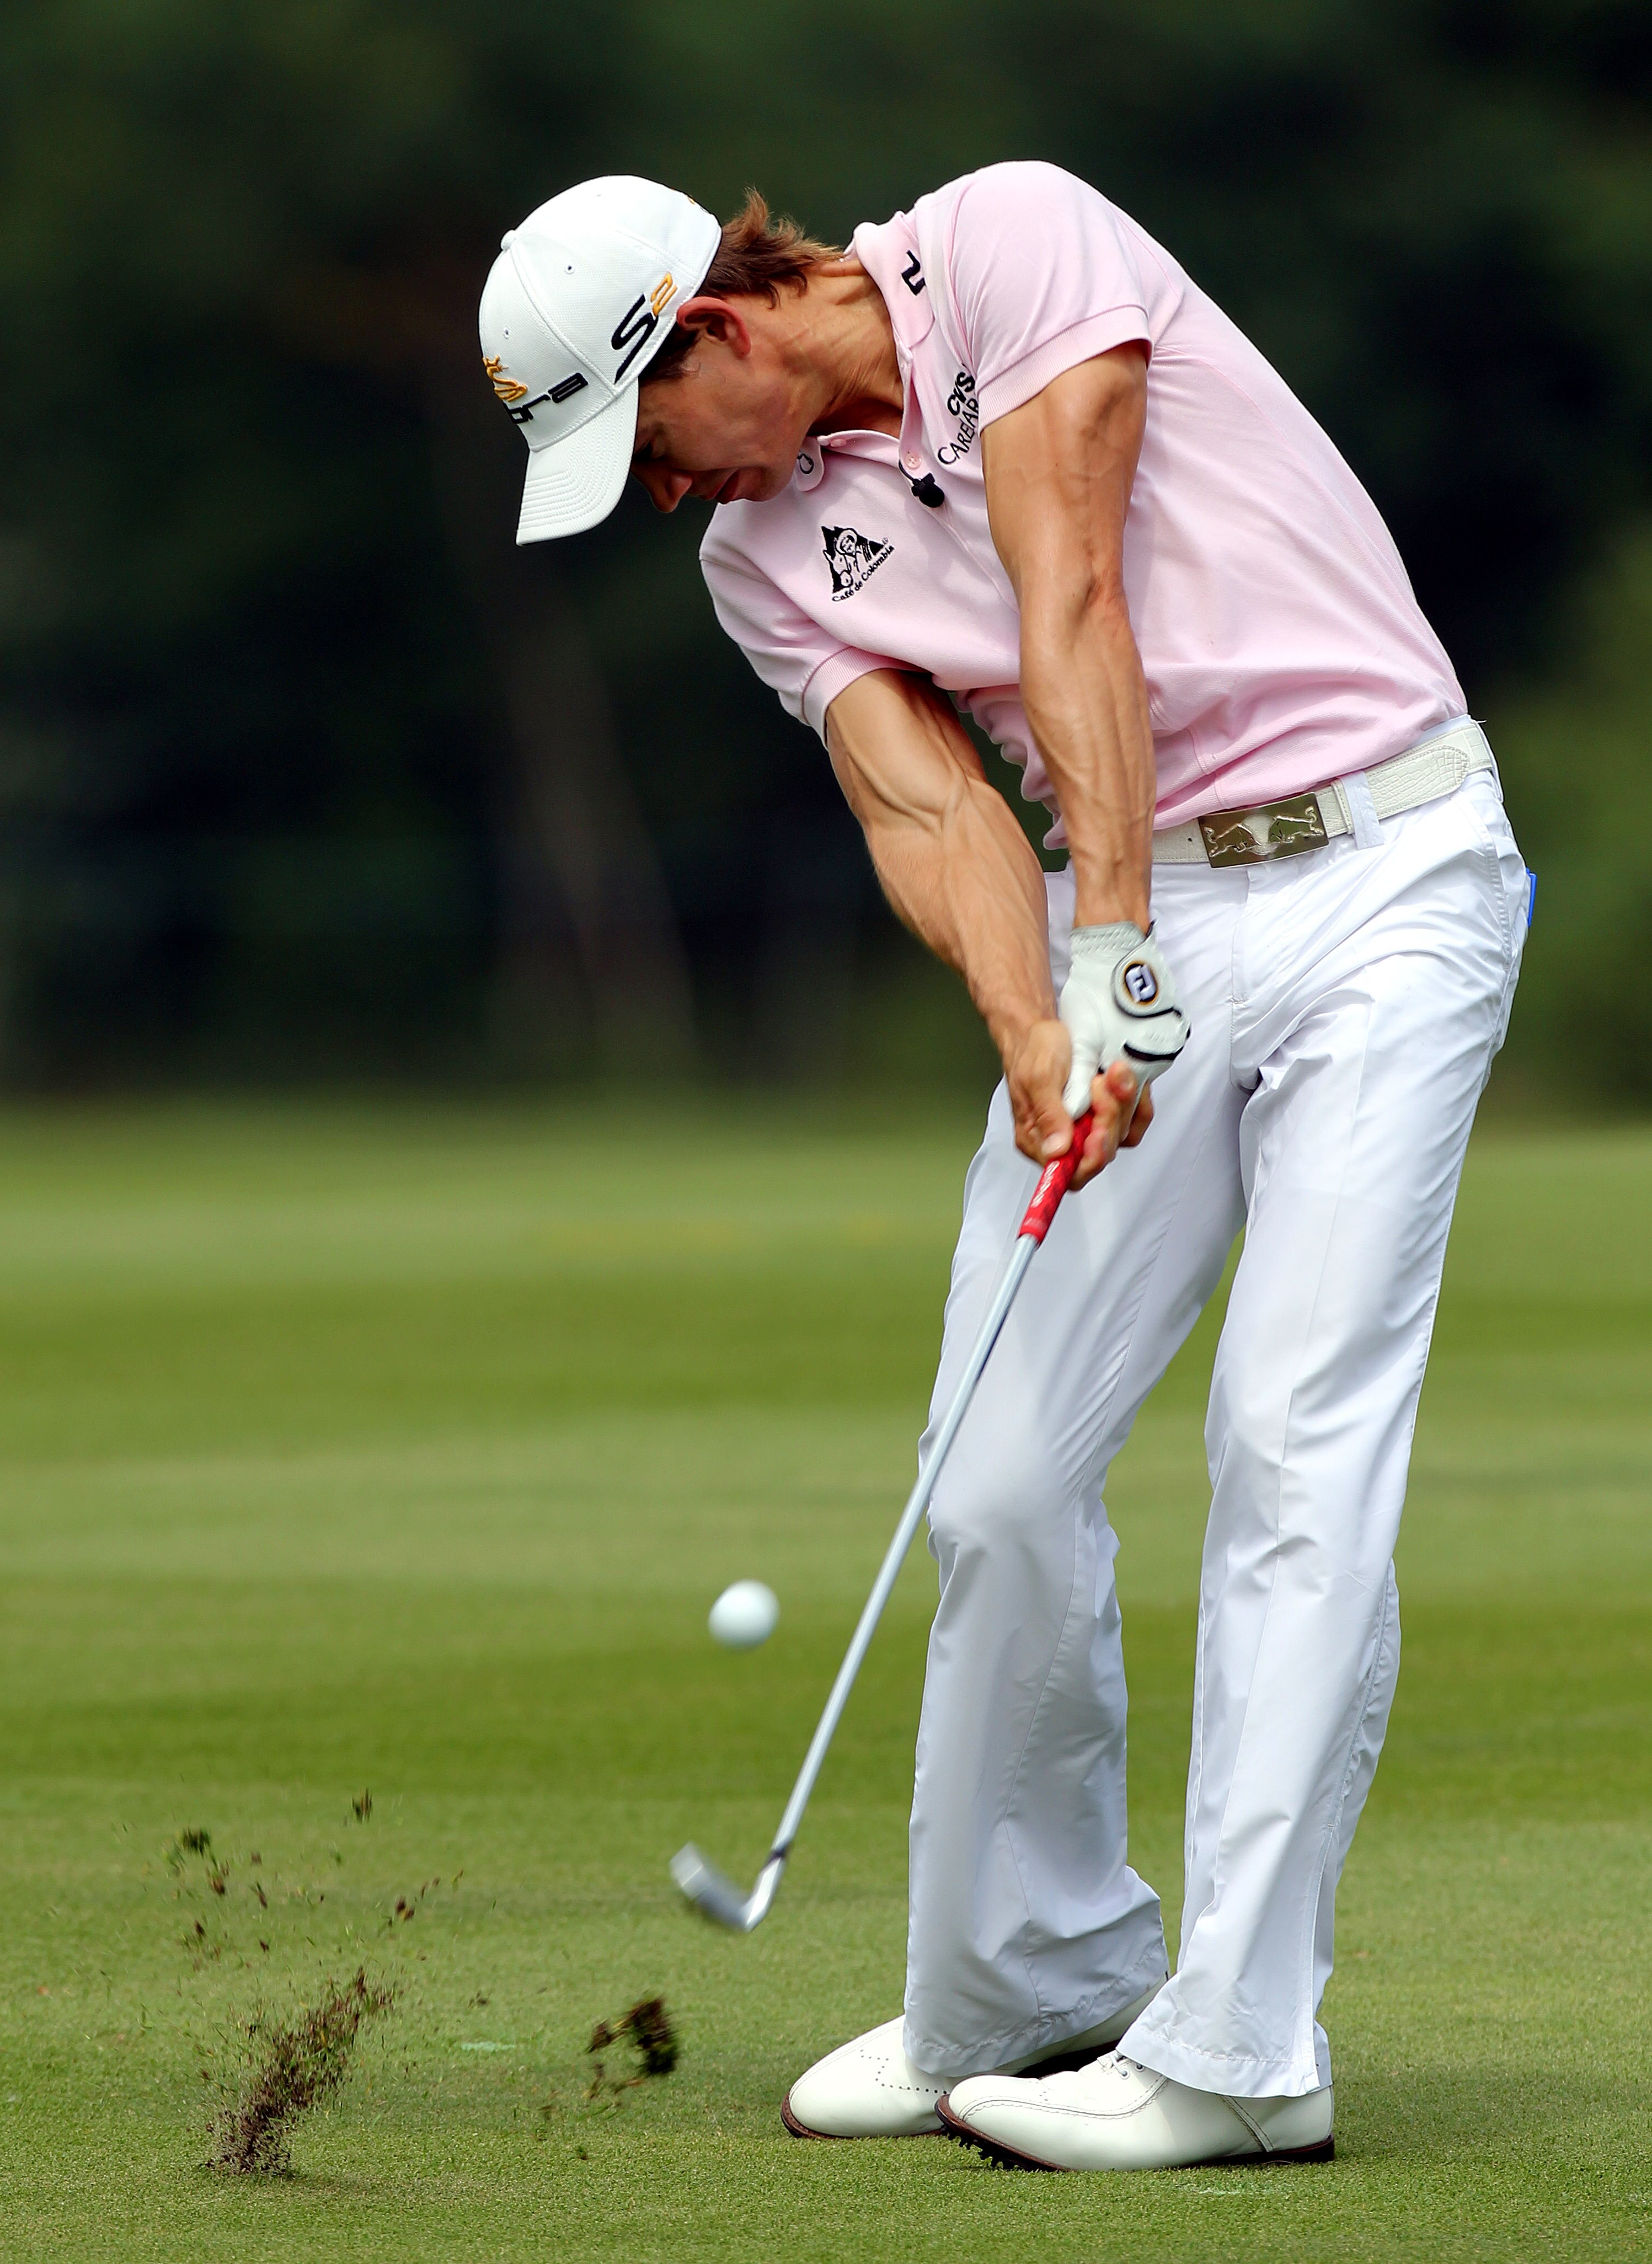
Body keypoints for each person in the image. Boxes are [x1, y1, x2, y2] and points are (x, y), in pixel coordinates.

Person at [477, 165, 1528, 2171]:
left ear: (711, 333)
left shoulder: (1015, 242)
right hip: (1144, 927)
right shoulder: (762, 562)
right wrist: (1041, 1029)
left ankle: (1241, 2045)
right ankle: (1026, 1980)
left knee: (1295, 1438)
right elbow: (923, 800)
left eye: (649, 447)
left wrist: (1111, 934)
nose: (665, 497)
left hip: (1386, 866)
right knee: (1004, 1472)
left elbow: (1072, 584)